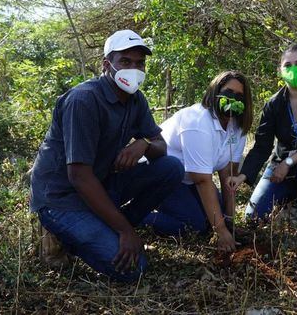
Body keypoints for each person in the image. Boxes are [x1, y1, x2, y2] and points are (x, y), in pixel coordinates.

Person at [30, 29, 184, 282]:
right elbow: (78, 176)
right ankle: (63, 234)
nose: (133, 69)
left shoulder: (136, 100)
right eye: (125, 61)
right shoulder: (83, 100)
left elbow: (161, 148)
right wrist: (124, 230)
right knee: (134, 270)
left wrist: (143, 143)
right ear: (106, 64)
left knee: (171, 168)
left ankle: (112, 228)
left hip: (101, 183)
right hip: (62, 198)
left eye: (139, 63)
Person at [142, 71, 253, 253]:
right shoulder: (198, 122)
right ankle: (135, 215)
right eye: (228, 92)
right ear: (215, 91)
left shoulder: (237, 128)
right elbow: (202, 180)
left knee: (213, 217)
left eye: (239, 96)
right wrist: (221, 231)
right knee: (196, 225)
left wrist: (229, 222)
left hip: (188, 181)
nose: (233, 99)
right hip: (161, 176)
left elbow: (228, 175)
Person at [227, 44, 297, 220]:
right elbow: (263, 145)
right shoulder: (273, 104)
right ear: (280, 70)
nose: (293, 68)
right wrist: (243, 175)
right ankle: (292, 195)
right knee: (253, 217)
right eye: (287, 65)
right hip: (280, 167)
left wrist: (289, 161)